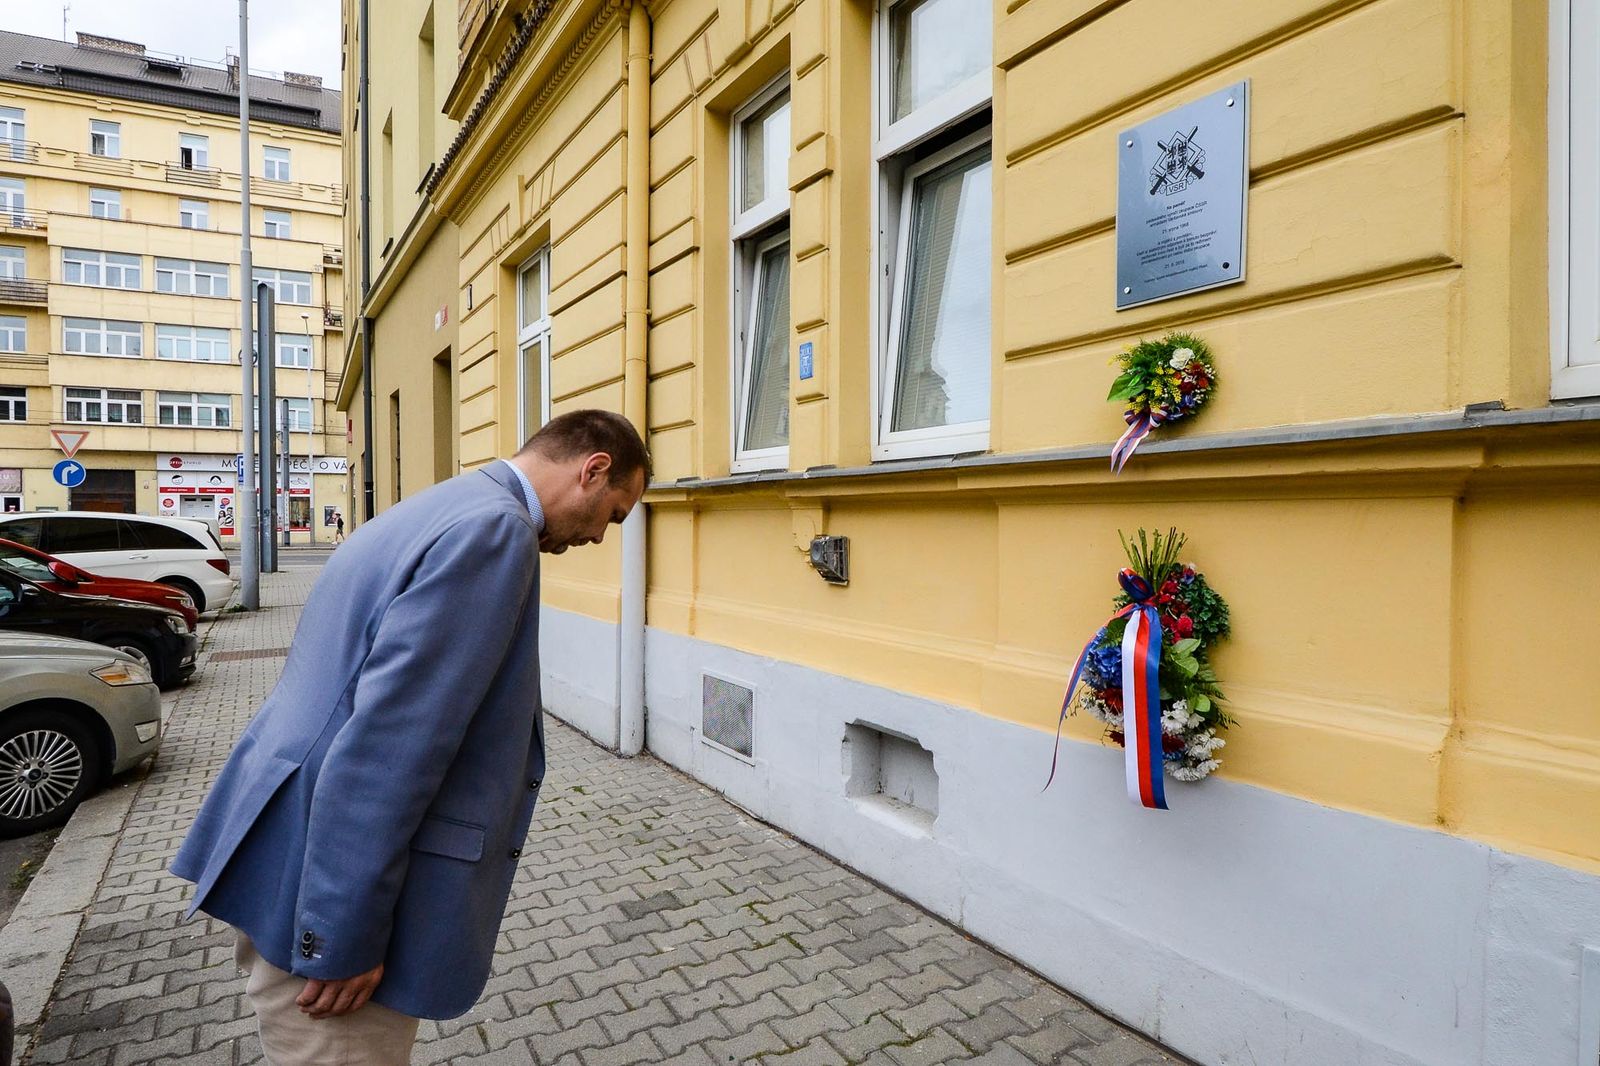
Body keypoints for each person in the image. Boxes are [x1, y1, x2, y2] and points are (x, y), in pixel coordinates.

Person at [170, 409, 649, 1065]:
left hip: (285, 847)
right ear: (593, 471)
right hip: (326, 884)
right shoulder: (495, 532)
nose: (600, 536)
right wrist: (341, 935)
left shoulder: (442, 505)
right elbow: (390, 751)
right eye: (614, 514)